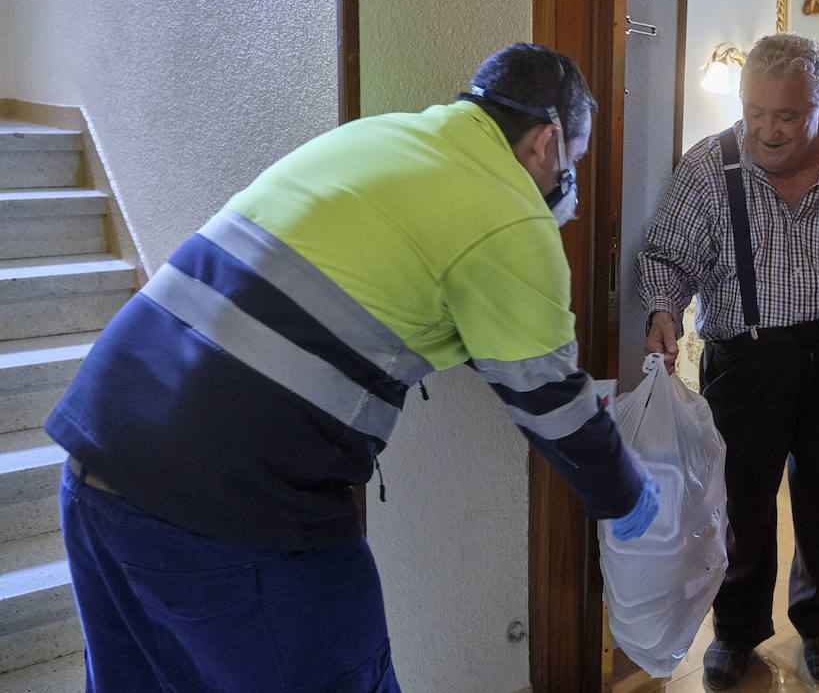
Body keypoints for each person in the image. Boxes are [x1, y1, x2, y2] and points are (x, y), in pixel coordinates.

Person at [44, 43, 659, 691]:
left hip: (101, 450)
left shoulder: (384, 138)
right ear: (546, 143)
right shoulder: (510, 212)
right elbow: (550, 401)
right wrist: (626, 490)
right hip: (229, 502)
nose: (568, 188)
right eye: (576, 162)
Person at [638, 33, 819, 688]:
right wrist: (665, 309)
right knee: (739, 504)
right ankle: (735, 630)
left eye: (786, 115)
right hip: (744, 361)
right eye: (755, 112)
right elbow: (668, 256)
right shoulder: (709, 168)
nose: (767, 130)